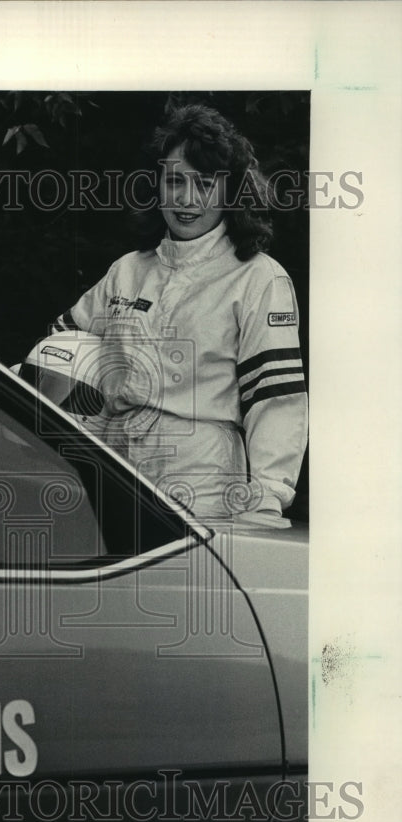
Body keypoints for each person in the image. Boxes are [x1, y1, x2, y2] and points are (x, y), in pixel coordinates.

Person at [49, 104, 308, 524]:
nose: (186, 199)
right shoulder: (128, 270)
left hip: (204, 481)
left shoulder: (260, 278)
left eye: (204, 184)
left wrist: (266, 498)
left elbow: (275, 399)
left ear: (230, 191)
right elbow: (58, 353)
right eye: (174, 181)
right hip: (112, 472)